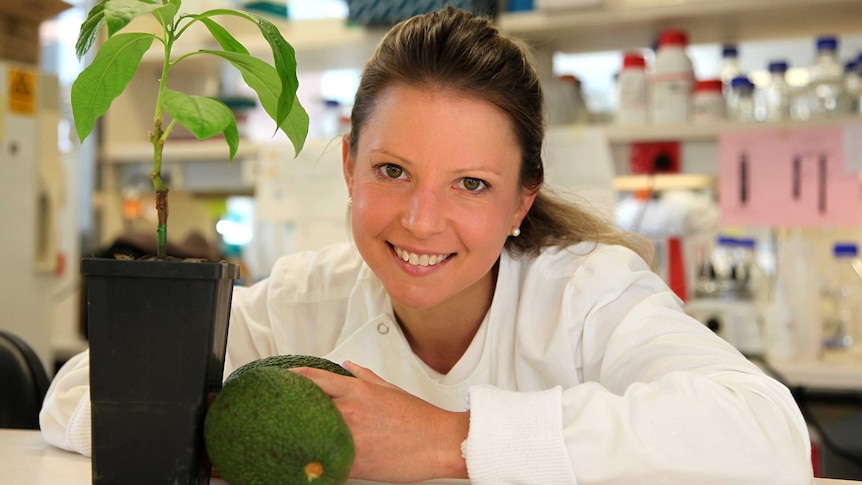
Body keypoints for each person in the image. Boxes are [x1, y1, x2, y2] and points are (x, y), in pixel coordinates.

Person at [41, 6, 813, 483]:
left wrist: (449, 439)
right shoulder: (309, 297)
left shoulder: (587, 294)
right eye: (392, 170)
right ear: (348, 166)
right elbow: (82, 392)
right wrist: (234, 436)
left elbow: (767, 434)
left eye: (471, 184)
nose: (420, 219)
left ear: (522, 200)